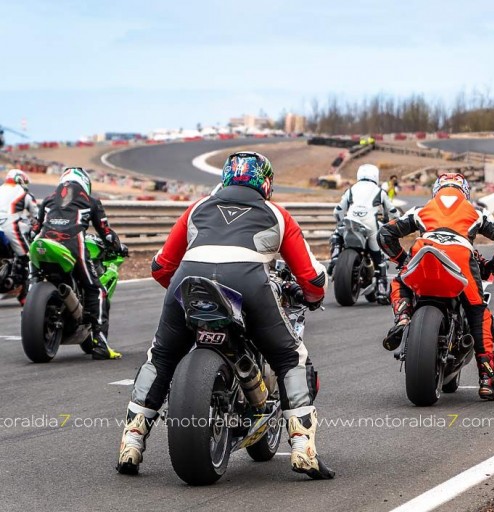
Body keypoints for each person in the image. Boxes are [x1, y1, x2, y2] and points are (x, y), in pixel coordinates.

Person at [116, 151, 334, 480]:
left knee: (160, 356)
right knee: (291, 357)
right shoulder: (277, 214)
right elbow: (312, 278)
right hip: (249, 282)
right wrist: (314, 297)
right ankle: (303, 447)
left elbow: (160, 267)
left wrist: (178, 290)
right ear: (266, 183)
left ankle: (131, 441)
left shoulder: (197, 208)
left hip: (188, 279)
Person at [378, 173, 494, 400]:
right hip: (461, 255)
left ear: (436, 191)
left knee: (401, 281)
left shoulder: (422, 210)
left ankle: (403, 316)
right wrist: (493, 266)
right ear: (465, 192)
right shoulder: (476, 212)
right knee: (478, 311)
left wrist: (402, 260)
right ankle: (487, 381)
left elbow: (384, 234)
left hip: (424, 249)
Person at [33, 167, 125, 358]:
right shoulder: (90, 201)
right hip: (73, 244)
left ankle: (29, 299)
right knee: (97, 290)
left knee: (33, 275)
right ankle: (100, 344)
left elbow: (34, 229)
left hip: (42, 244)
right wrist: (118, 247)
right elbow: (106, 234)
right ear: (85, 183)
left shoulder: (48, 199)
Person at [328, 164, 399, 301]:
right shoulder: (380, 191)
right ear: (375, 176)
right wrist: (395, 223)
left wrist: (340, 223)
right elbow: (393, 212)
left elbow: (337, 211)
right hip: (370, 224)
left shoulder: (351, 189)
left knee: (337, 234)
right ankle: (382, 291)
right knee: (379, 259)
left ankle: (334, 259)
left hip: (350, 221)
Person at [0, 169, 38, 304]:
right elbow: (37, 214)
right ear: (20, 180)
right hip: (9, 229)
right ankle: (25, 298)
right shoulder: (24, 194)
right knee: (28, 259)